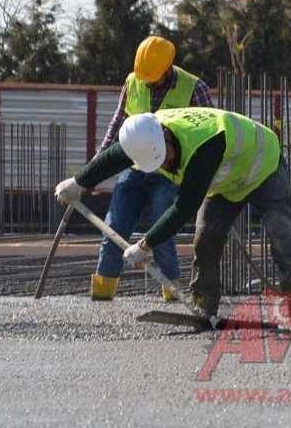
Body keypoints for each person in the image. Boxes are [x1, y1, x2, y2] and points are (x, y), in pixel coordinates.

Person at [55, 107, 291, 324]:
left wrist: (145, 244)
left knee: (281, 237)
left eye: (165, 157)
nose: (165, 165)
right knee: (206, 238)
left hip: (263, 165)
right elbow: (112, 157)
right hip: (227, 179)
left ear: (166, 136)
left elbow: (183, 208)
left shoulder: (203, 145)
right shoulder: (143, 136)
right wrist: (78, 183)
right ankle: (203, 307)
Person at [88, 35, 213, 303]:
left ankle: (172, 295)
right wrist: (95, 168)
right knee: (114, 227)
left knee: (162, 230)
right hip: (134, 166)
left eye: (152, 78)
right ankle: (101, 294)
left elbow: (208, 134)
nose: (147, 83)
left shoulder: (194, 88)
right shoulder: (133, 81)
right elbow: (117, 125)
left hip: (168, 173)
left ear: (168, 68)